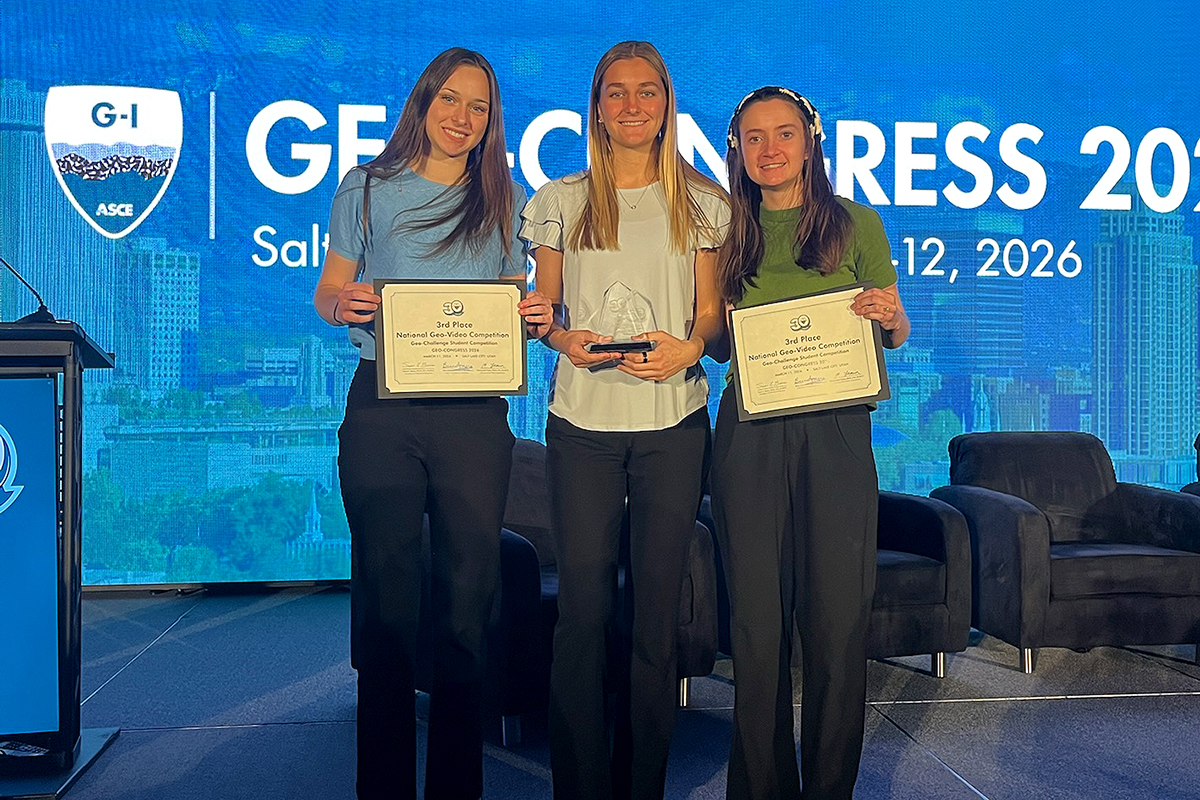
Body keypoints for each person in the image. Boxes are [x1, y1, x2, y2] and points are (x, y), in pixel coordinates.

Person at [313, 47, 550, 800]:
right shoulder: (367, 187)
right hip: (382, 406)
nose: (462, 117)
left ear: (491, 122)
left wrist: (540, 316)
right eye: (450, 100)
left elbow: (520, 301)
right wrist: (342, 305)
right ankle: (380, 787)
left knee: (466, 604)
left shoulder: (508, 199)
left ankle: (458, 788)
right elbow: (330, 289)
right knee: (385, 605)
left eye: (478, 107)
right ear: (422, 102)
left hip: (475, 419)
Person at [520, 40, 729, 800]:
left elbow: (709, 315)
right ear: (597, 105)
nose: (632, 105)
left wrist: (690, 348)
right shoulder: (559, 198)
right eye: (616, 92)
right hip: (582, 427)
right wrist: (558, 336)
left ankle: (643, 784)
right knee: (581, 609)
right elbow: (543, 311)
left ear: (667, 103)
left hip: (674, 425)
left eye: (646, 92)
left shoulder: (705, 202)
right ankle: (576, 787)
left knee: (653, 613)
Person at [711, 86, 910, 800]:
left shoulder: (855, 221)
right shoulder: (722, 227)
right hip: (750, 431)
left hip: (836, 432)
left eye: (784, 134)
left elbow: (895, 324)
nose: (770, 150)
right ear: (736, 148)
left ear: (811, 141)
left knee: (836, 622)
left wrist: (888, 315)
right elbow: (709, 342)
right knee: (757, 628)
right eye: (753, 137)